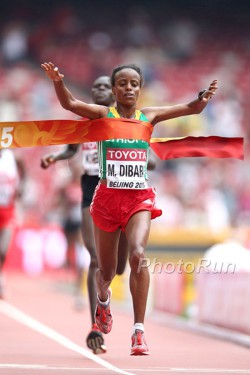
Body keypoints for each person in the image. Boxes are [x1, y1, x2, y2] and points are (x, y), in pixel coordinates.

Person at [41, 61, 218, 356]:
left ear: (140, 88)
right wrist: (58, 81)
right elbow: (70, 103)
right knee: (107, 272)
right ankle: (103, 301)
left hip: (139, 199)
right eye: (122, 83)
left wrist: (202, 99)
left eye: (134, 84)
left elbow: (191, 109)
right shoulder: (103, 114)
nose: (129, 88)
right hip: (108, 200)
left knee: (138, 254)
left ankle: (138, 332)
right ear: (114, 89)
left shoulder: (149, 116)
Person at [40, 74, 156, 354]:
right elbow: (69, 147)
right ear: (98, 92)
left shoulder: (132, 122)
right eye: (98, 86)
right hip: (95, 191)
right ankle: (96, 323)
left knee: (119, 268)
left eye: (106, 85)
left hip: (129, 195)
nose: (102, 89)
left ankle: (104, 301)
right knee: (95, 259)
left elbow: (149, 157)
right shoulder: (88, 121)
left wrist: (139, 156)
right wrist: (55, 158)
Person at [0, 149, 26, 298]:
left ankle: (1, 279)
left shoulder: (14, 157)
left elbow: (25, 176)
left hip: (8, 210)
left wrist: (21, 188)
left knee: (3, 250)